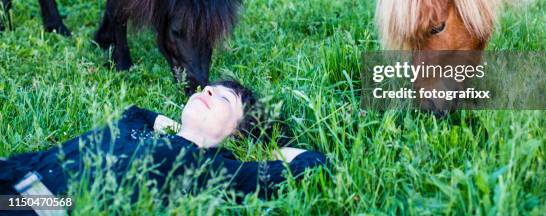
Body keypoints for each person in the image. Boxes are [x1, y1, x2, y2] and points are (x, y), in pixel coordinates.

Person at [0, 80, 326, 212]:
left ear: (235, 132)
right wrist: (180, 129)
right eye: (208, 88)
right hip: (13, 174)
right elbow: (137, 113)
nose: (207, 91)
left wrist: (266, 150)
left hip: (39, 206)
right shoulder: (139, 130)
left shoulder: (207, 167)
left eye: (224, 97)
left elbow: (313, 166)